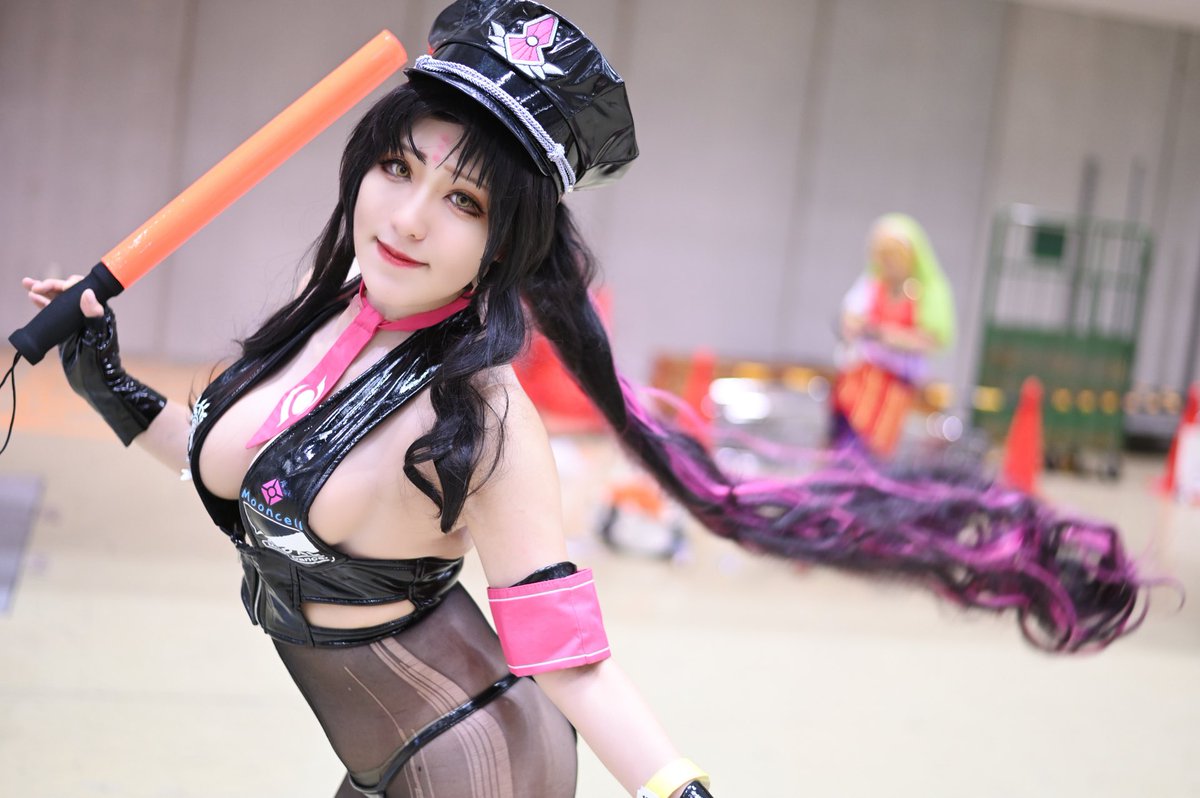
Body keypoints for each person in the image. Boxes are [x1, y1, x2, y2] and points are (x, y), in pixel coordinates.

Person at [21, 1, 1148, 795]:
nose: (407, 218)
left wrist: (677, 788)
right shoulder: (327, 324)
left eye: (464, 202)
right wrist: (105, 378)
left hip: (474, 768)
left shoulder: (480, 417)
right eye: (399, 167)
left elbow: (565, 654)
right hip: (384, 761)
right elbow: (241, 473)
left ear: (505, 242)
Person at [832, 213, 955, 457]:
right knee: (846, 432)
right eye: (883, 256)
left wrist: (890, 336)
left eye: (893, 256)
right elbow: (849, 318)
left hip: (895, 385)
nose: (888, 263)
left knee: (874, 444)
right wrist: (857, 327)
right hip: (861, 377)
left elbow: (931, 339)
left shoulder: (922, 293)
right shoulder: (872, 286)